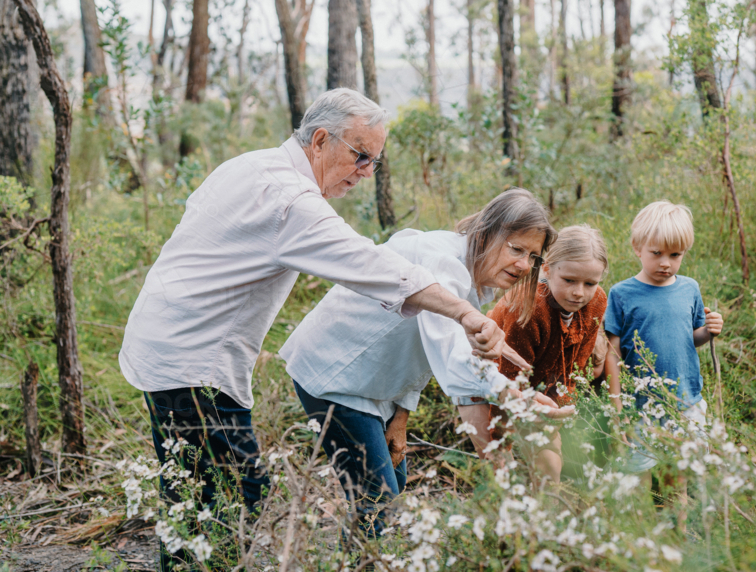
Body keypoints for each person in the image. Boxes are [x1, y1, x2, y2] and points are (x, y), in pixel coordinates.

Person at [118, 89, 505, 568]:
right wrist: (464, 312)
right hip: (193, 359)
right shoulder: (290, 200)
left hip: (173, 346)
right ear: (321, 139)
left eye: (374, 162)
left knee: (195, 489)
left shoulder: (254, 164)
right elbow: (368, 262)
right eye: (360, 156)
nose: (366, 173)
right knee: (231, 493)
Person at [280, 189, 570, 537]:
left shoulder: (478, 279)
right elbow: (448, 347)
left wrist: (401, 415)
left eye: (533, 256)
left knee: (394, 481)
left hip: (374, 384)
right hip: (335, 376)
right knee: (377, 499)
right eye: (516, 248)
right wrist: (512, 396)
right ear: (485, 232)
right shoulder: (441, 261)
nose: (524, 264)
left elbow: (423, 348)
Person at [485, 225, 620, 482]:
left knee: (552, 460)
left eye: (590, 283)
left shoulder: (596, 301)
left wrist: (563, 417)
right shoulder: (528, 310)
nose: (579, 292)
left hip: (544, 385)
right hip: (490, 384)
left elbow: (576, 368)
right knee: (503, 468)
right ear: (546, 268)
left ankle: (547, 514)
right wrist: (502, 442)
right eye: (569, 280)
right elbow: (506, 378)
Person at [604, 201, 724, 472]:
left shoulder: (689, 288)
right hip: (641, 405)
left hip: (686, 401)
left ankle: (678, 513)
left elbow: (688, 337)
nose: (665, 263)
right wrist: (617, 406)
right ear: (637, 247)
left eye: (675, 255)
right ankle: (645, 514)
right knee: (640, 475)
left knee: (678, 474)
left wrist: (708, 330)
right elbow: (612, 353)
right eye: (656, 253)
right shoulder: (621, 294)